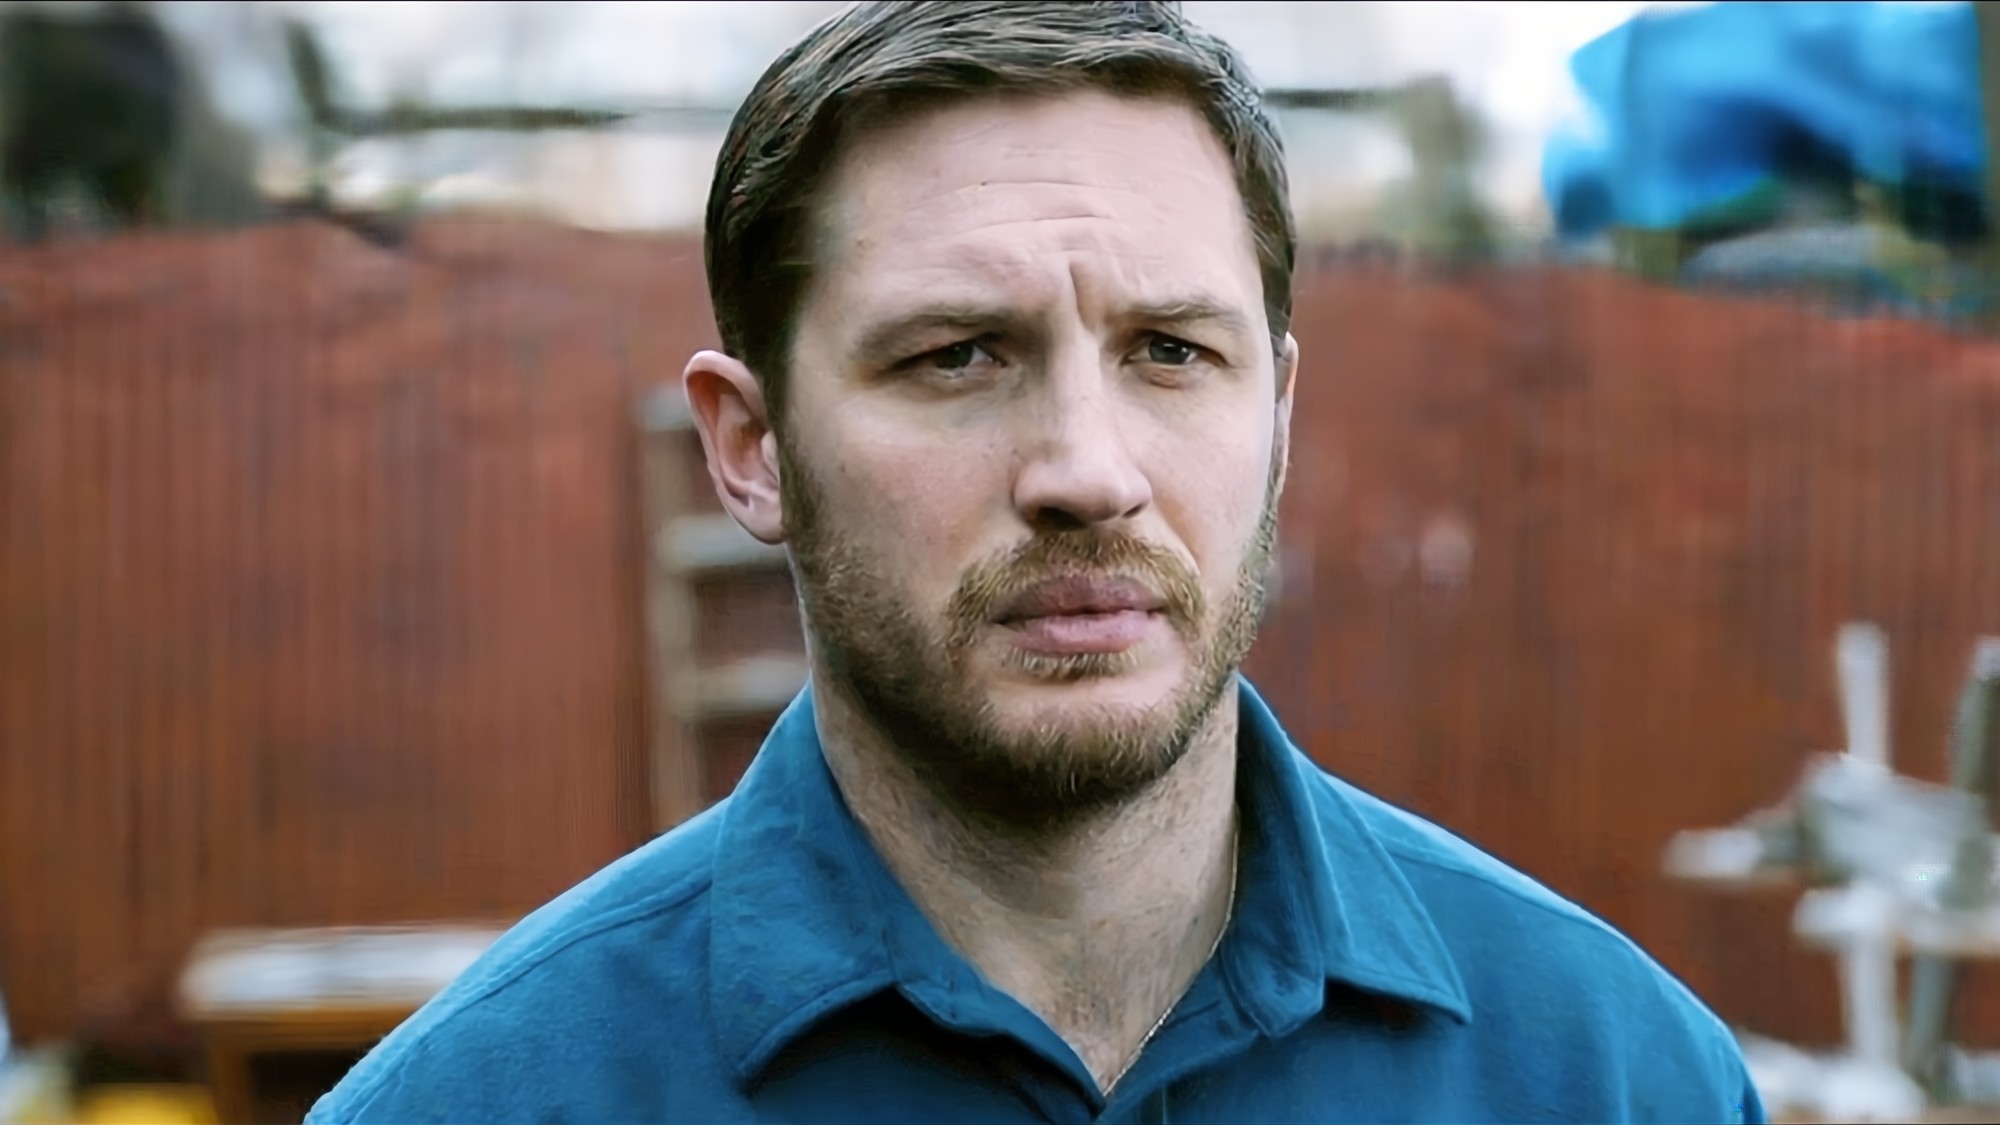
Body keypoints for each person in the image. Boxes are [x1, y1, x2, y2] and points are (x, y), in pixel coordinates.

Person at [308, 3, 1765, 1121]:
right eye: (958, 356)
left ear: (1279, 416)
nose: (1088, 469)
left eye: (1171, 352)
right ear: (752, 450)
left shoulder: (1620, 1078)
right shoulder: (476, 1103)